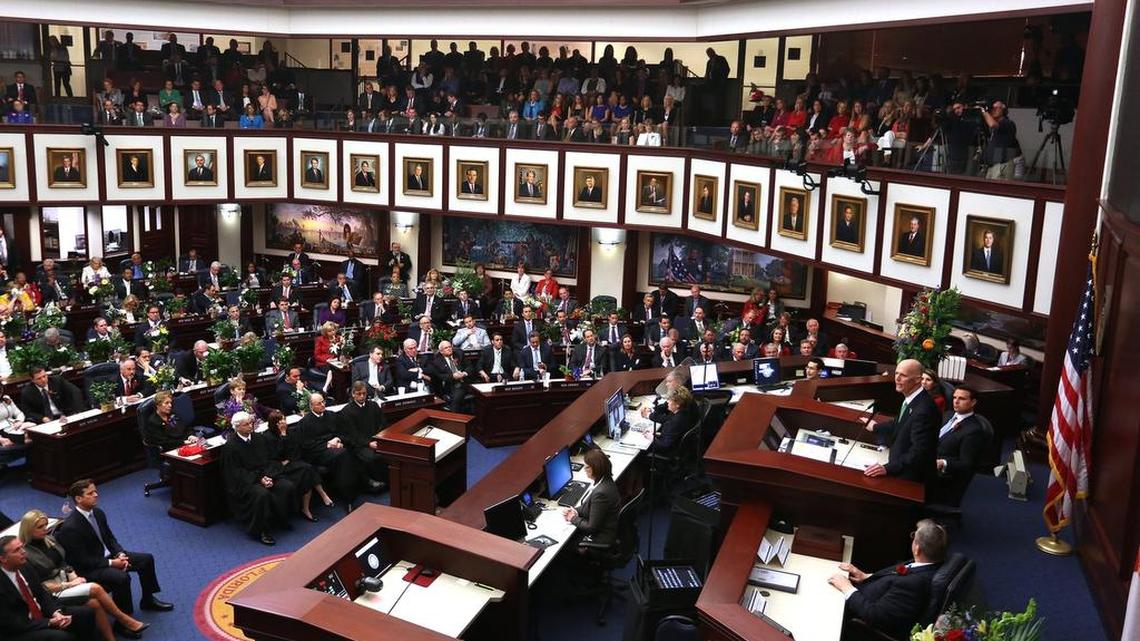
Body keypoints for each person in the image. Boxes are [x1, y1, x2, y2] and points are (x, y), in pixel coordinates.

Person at [18, 510, 148, 641]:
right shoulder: (25, 555)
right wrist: (69, 584)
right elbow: (40, 586)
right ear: (28, 529)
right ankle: (126, 620)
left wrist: (73, 575)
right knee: (95, 588)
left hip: (69, 582)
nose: (45, 529)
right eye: (40, 527)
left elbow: (64, 563)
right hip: (54, 591)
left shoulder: (49, 540)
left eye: (45, 525)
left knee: (94, 603)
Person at [53, 480, 172, 616]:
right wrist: (112, 563)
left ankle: (148, 600)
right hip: (90, 568)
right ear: (78, 499)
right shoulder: (71, 527)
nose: (96, 495)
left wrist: (120, 553)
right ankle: (124, 619)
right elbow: (81, 561)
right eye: (90, 493)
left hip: (108, 557)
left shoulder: (98, 513)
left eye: (96, 491)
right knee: (122, 577)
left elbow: (109, 538)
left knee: (146, 560)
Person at [828, 519, 947, 639]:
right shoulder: (927, 563)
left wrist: (847, 588)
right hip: (864, 592)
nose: (912, 539)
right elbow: (894, 579)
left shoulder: (915, 585)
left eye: (914, 537)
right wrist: (865, 576)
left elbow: (875, 616)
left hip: (849, 611)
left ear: (917, 549)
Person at [0, 535, 96, 641]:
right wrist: (49, 622)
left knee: (85, 614)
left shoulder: (24, 565)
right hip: (21, 628)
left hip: (42, 613)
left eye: (21, 547)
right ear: (3, 558)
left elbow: (41, 594)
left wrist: (56, 613)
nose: (23, 552)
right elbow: (11, 622)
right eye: (17, 550)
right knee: (62, 638)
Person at [862, 359, 939, 482]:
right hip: (899, 465)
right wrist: (876, 427)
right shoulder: (911, 398)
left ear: (918, 380)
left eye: (903, 375)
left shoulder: (924, 410)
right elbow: (900, 423)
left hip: (910, 478)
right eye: (896, 373)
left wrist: (888, 468)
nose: (897, 378)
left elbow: (919, 452)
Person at [292, 393, 362, 509]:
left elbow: (344, 433)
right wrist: (328, 445)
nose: (323, 405)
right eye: (319, 403)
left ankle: (349, 493)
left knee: (345, 454)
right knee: (344, 454)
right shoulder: (305, 423)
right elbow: (307, 446)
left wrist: (338, 439)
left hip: (337, 448)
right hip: (318, 453)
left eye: (323, 402)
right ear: (311, 406)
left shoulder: (332, 416)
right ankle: (349, 496)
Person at [931, 385, 989, 506]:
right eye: (954, 397)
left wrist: (943, 463)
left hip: (941, 475)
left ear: (973, 402)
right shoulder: (947, 415)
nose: (956, 401)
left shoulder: (974, 431)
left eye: (962, 399)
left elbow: (966, 464)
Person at [336, 382, 388, 491]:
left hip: (377, 440)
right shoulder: (346, 412)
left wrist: (379, 439)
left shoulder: (373, 406)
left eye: (364, 393)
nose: (362, 396)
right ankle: (376, 483)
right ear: (353, 394)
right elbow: (351, 435)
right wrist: (368, 443)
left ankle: (389, 481)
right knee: (372, 458)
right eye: (359, 394)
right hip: (359, 445)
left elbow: (382, 424)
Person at [563, 449, 621, 546]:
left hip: (600, 538)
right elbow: (591, 506)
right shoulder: (606, 480)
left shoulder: (601, 493)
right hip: (607, 527)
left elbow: (591, 527)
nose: (584, 470)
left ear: (595, 469)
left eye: (587, 467)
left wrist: (572, 518)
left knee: (565, 547)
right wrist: (575, 510)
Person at [647, 386, 695, 453]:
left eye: (669, 400)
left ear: (677, 404)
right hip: (676, 445)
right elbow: (673, 435)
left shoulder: (675, 421)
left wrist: (651, 438)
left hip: (668, 451)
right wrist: (657, 434)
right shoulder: (683, 414)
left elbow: (664, 446)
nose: (667, 402)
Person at [424, 341, 469, 411]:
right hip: (450, 384)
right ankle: (453, 415)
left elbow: (470, 367)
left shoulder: (459, 354)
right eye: (446, 348)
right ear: (441, 351)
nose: (449, 349)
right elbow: (439, 376)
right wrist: (453, 376)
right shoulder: (437, 361)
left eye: (450, 347)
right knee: (457, 393)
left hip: (464, 381)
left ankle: (453, 414)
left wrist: (464, 373)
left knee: (458, 392)